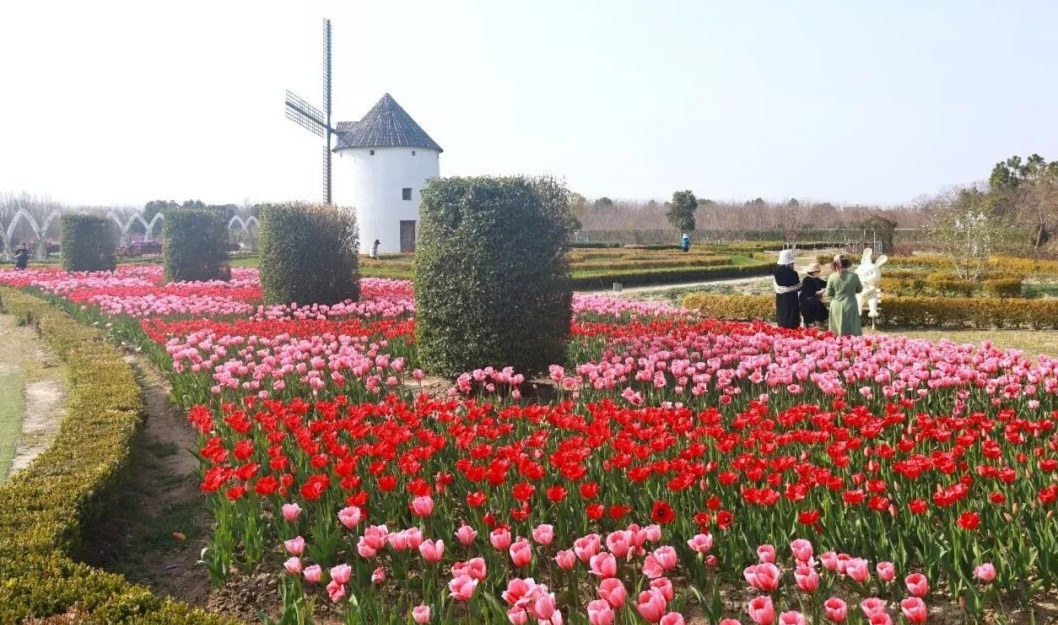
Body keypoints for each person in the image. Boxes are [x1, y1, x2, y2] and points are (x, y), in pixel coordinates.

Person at [825, 254, 863, 337]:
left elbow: (828, 293)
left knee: (836, 331)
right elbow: (859, 289)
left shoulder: (832, 277)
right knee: (852, 328)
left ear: (835, 265)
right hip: (851, 304)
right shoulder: (854, 276)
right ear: (847, 264)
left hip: (836, 305)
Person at [773, 249, 801, 328]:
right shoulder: (793, 274)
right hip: (791, 299)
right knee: (792, 319)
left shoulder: (776, 273)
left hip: (781, 299)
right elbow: (798, 286)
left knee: (782, 317)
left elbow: (778, 287)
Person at [799, 262, 828, 327]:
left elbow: (827, 284)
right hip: (806, 300)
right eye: (818, 271)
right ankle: (817, 322)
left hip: (813, 299)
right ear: (814, 272)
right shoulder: (806, 280)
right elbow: (808, 292)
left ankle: (818, 322)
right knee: (819, 308)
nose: (819, 272)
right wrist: (820, 292)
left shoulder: (816, 279)